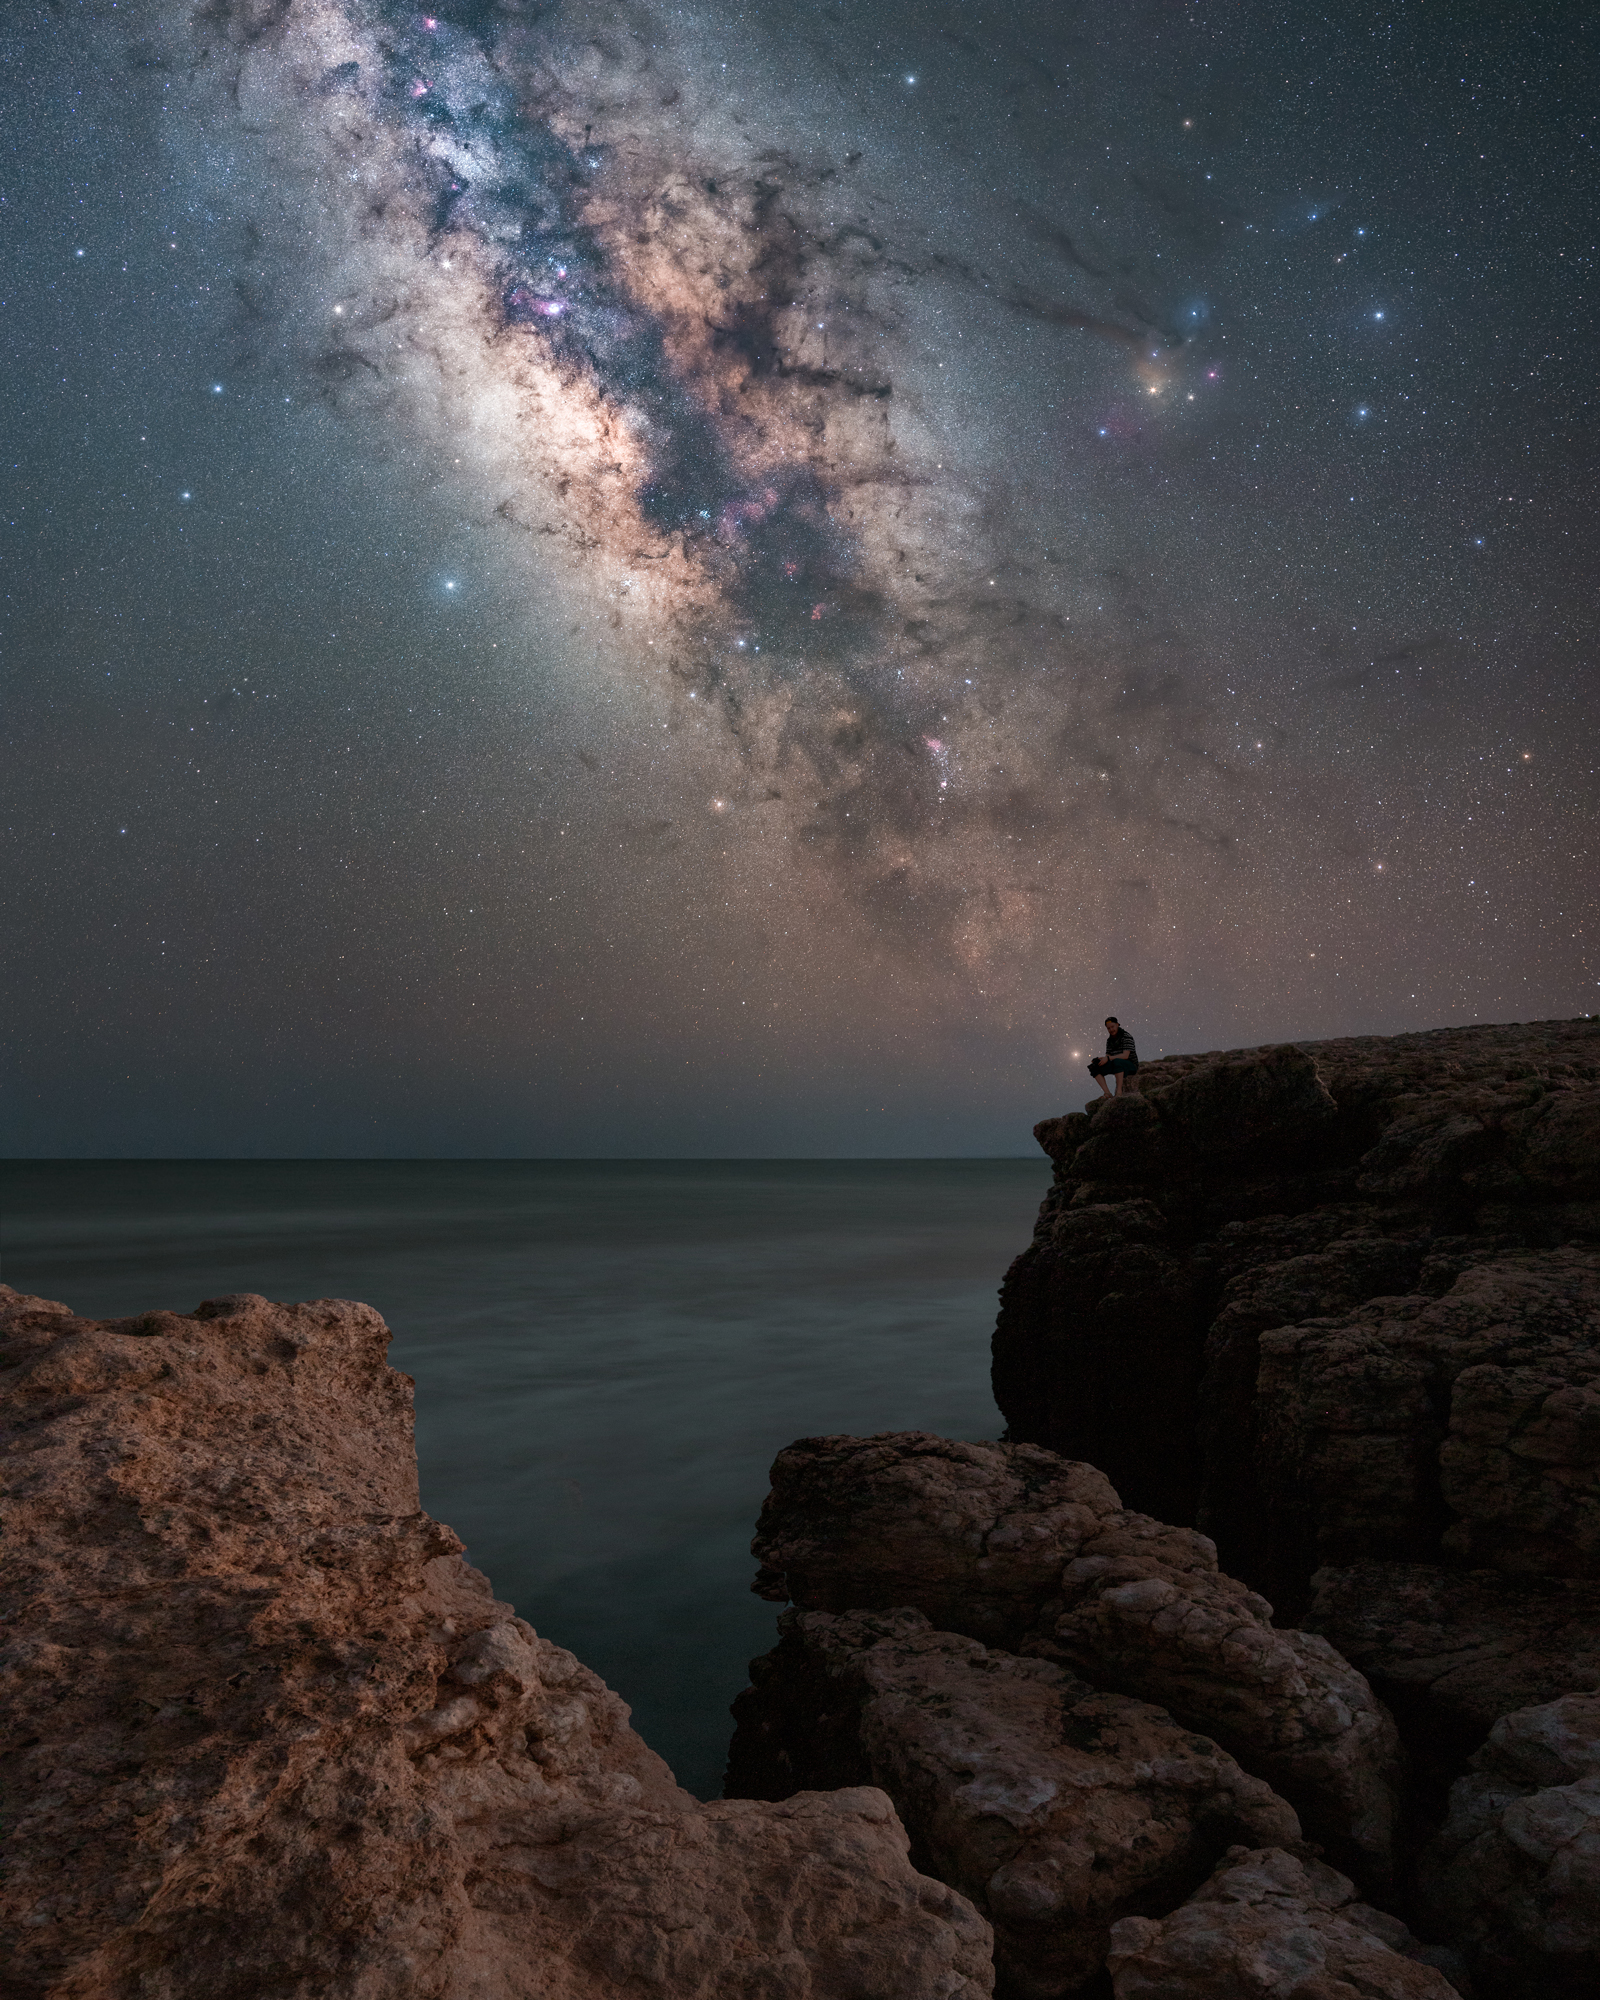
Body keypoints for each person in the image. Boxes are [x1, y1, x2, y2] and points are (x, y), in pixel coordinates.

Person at [1088, 1017, 1138, 1098]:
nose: (1111, 1029)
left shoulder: (1126, 1036)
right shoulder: (1109, 1041)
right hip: (1116, 1063)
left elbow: (1125, 1056)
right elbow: (1108, 1055)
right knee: (1094, 1067)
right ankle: (1107, 1093)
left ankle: (1119, 1093)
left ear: (1117, 1025)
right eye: (1108, 1028)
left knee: (1117, 1061)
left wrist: (1108, 1058)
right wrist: (1102, 1060)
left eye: (1112, 1027)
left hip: (1130, 1065)